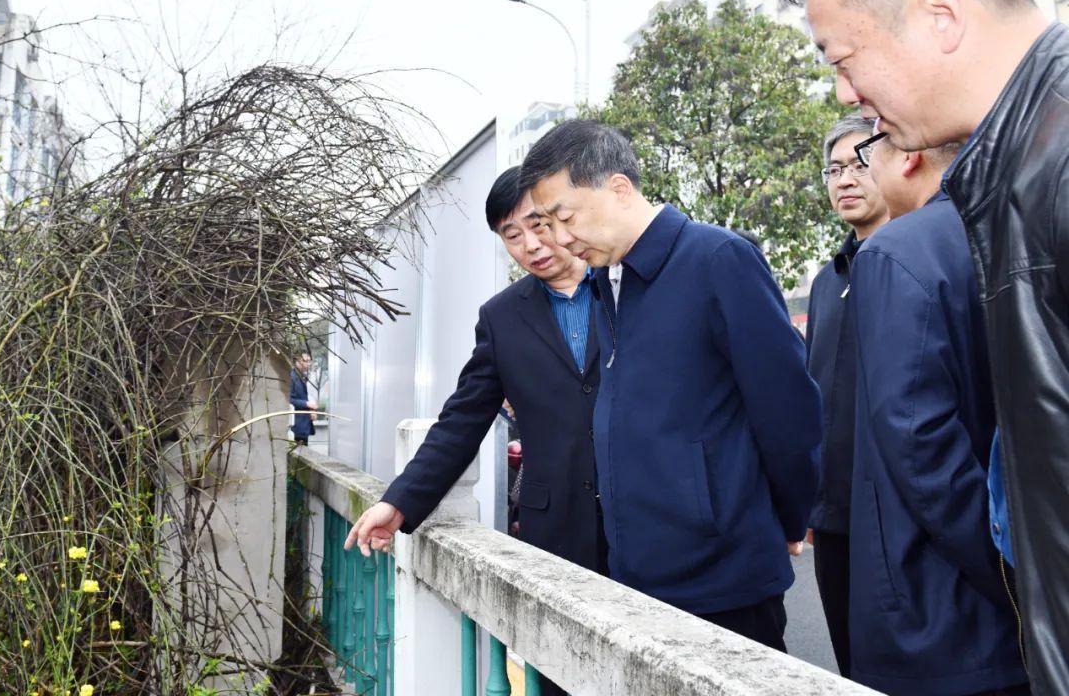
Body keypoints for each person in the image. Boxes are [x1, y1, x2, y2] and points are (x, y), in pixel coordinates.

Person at [778, 0, 1068, 688]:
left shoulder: (1051, 166)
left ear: (940, 14)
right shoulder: (1007, 181)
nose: (845, 94)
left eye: (843, 59)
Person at [518, 119, 821, 651]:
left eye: (565, 218)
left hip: (721, 578)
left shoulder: (718, 259)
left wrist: (791, 519)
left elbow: (787, 411)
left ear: (619, 188)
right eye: (548, 224)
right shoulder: (607, 280)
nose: (560, 239)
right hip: (636, 575)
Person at [346, 166, 604, 696]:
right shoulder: (502, 317)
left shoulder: (623, 286)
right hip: (556, 532)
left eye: (539, 224)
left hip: (646, 526)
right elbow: (462, 419)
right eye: (512, 235)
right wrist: (398, 502)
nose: (531, 244)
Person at [842, 128, 1028, 695]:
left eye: (867, 151)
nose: (864, 168)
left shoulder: (898, 250)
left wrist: (1004, 573)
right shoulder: (1012, 225)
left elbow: (919, 443)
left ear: (907, 154)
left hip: (936, 605)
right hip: (1019, 590)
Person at [804, 114, 889, 677]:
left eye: (860, 164)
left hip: (896, 514)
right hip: (833, 517)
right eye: (834, 170)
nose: (846, 180)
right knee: (850, 668)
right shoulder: (825, 281)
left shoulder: (913, 262)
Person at [289, 352, 317, 446]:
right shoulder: (292, 377)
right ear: (297, 361)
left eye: (310, 361)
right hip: (296, 426)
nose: (309, 364)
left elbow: (305, 396)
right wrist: (306, 404)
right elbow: (289, 399)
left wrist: (311, 409)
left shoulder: (302, 376)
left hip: (303, 424)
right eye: (306, 361)